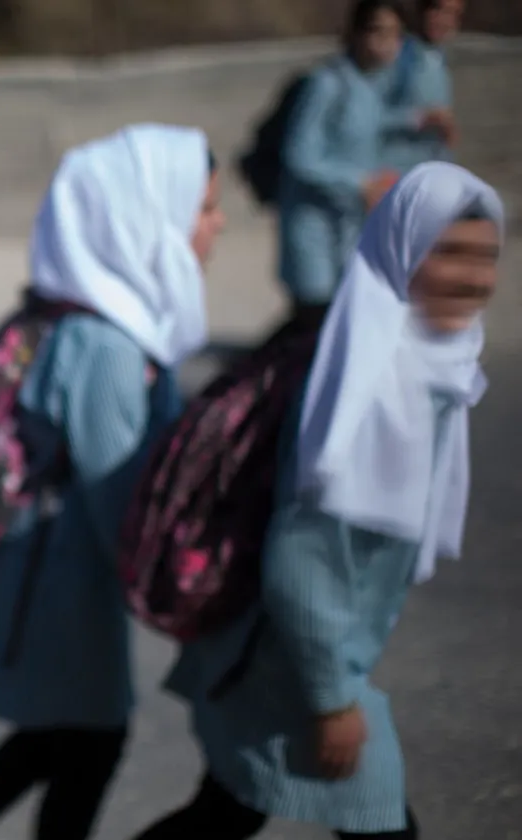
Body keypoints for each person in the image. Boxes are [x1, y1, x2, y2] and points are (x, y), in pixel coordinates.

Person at [131, 161, 505, 840]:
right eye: (447, 251)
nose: (472, 276)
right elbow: (300, 565)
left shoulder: (430, 367)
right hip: (297, 665)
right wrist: (332, 701)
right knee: (377, 822)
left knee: (224, 814)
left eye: (486, 255)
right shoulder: (375, 390)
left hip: (289, 656)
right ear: (403, 250)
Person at [0, 123, 225, 840]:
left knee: (64, 736)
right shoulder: (106, 346)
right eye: (204, 209)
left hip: (54, 572)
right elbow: (125, 498)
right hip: (56, 582)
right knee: (86, 737)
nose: (216, 226)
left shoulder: (98, 319)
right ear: (146, 217)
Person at [278, 0, 410, 320]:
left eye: (394, 34)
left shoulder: (374, 84)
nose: (385, 43)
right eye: (376, 31)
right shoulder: (325, 83)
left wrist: (418, 119)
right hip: (313, 230)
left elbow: (368, 127)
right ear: (354, 33)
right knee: (312, 325)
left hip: (348, 230)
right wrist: (359, 183)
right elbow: (299, 155)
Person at [379, 0, 464, 174]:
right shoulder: (397, 56)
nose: (444, 21)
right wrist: (419, 119)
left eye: (453, 14)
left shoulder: (439, 58)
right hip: (394, 177)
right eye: (437, 9)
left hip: (429, 174)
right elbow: (367, 119)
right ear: (419, 9)